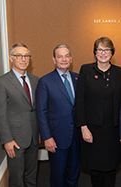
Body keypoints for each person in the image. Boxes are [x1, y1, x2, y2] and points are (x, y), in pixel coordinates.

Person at [76, 36, 121, 187]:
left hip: (113, 131)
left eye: (106, 49)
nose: (103, 53)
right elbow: (80, 101)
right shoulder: (86, 70)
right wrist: (83, 127)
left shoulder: (119, 73)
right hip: (92, 130)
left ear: (112, 52)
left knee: (110, 168)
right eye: (100, 49)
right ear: (95, 52)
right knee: (95, 169)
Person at [36, 44, 80, 187]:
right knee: (58, 176)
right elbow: (41, 112)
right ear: (54, 60)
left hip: (77, 137)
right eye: (60, 56)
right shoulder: (45, 81)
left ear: (71, 59)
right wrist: (47, 137)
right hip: (56, 138)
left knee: (73, 173)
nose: (64, 59)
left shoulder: (78, 79)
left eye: (67, 56)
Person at [0, 43, 39, 187]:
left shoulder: (35, 80)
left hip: (33, 137)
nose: (23, 59)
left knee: (31, 176)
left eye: (26, 56)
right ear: (11, 58)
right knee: (16, 179)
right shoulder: (2, 82)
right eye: (18, 56)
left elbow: (36, 109)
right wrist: (7, 140)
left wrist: (39, 132)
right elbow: (0, 114)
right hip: (14, 140)